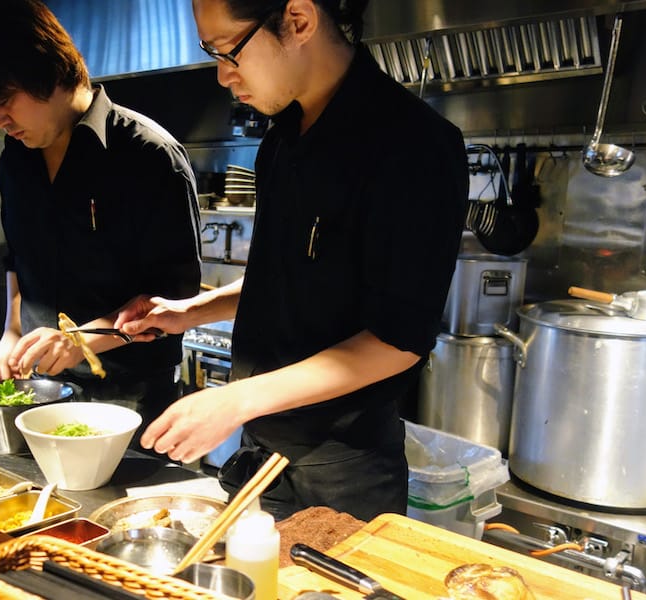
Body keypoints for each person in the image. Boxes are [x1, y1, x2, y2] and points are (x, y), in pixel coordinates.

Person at [115, 0, 468, 520]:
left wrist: (236, 400)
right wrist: (190, 311)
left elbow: (398, 342)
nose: (221, 75)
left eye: (228, 51)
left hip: (345, 471)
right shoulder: (282, 140)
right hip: (264, 452)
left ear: (299, 20)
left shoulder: (414, 145)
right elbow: (285, 280)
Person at [0, 0, 202, 432]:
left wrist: (84, 340)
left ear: (50, 70)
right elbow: (17, 256)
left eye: (4, 101)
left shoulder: (149, 156)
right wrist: (13, 330)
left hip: (129, 392)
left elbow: (175, 297)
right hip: (42, 384)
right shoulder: (16, 159)